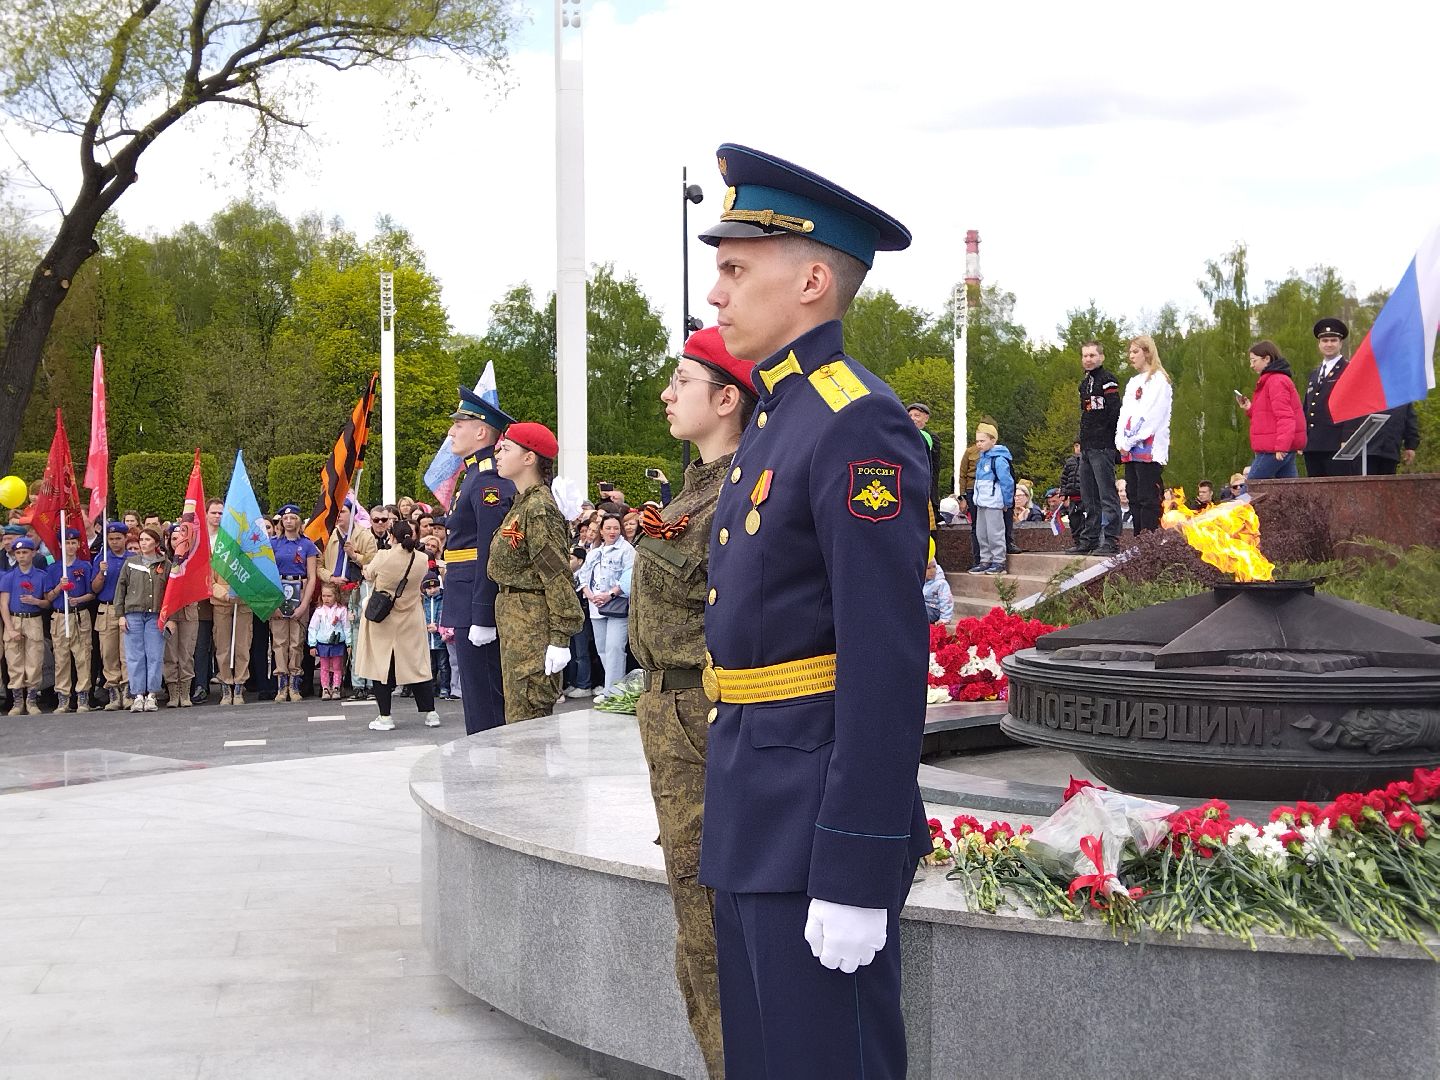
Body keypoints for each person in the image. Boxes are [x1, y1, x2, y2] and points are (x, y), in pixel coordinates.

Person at [697, 143, 931, 1079]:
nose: (715, 293)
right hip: (754, 803)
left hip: (811, 829)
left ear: (812, 279)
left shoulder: (854, 421)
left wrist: (856, 867)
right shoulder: (777, 417)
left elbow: (883, 656)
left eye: (734, 267)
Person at [629, 325, 756, 1077]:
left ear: (728, 396)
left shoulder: (742, 493)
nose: (667, 393)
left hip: (704, 720)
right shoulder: (695, 488)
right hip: (671, 721)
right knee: (694, 934)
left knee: (709, 935)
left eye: (682, 380)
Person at [487, 422, 584, 724]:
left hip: (533, 624)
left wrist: (560, 637)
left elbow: (556, 575)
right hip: (518, 621)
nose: (498, 453)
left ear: (529, 458)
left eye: (506, 448)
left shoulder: (539, 507)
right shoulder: (523, 503)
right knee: (518, 715)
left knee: (527, 719)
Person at [437, 387, 516, 734]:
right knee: (475, 693)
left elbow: (489, 549)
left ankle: (492, 767)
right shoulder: (473, 474)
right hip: (464, 595)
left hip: (475, 600)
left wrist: (484, 613)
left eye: (459, 424)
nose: (451, 431)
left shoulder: (488, 479)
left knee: (485, 698)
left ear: (482, 431)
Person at [353, 519, 437, 730]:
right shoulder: (422, 558)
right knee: (417, 665)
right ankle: (431, 713)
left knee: (381, 666)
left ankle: (385, 716)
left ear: (391, 536)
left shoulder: (384, 556)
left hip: (384, 618)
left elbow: (368, 573)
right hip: (412, 616)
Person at [1115, 334, 1173, 533]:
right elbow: (1125, 413)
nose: (1131, 356)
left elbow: (1152, 416)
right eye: (1130, 352)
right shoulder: (1133, 382)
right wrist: (1120, 440)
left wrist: (1131, 440)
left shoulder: (1159, 381)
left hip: (1149, 446)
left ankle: (1151, 540)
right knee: (1133, 494)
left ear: (1147, 353)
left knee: (1148, 496)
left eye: (1135, 351)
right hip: (1130, 448)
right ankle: (1140, 539)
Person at [1069, 341, 1122, 555]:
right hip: (1087, 448)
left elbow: (1114, 411)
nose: (1088, 359)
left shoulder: (1107, 380)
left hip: (1103, 446)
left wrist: (1109, 438)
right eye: (1085, 356)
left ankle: (1111, 540)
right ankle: (1089, 539)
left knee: (1107, 495)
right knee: (1088, 496)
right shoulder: (1085, 384)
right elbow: (1087, 415)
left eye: (1092, 355)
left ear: (1101, 356)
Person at [578, 514, 635, 702]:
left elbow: (629, 577)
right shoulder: (595, 552)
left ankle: (614, 692)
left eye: (616, 528)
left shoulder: (627, 550)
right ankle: (613, 687)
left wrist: (610, 594)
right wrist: (589, 593)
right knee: (602, 648)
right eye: (608, 528)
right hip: (596, 607)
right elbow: (582, 575)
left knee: (615, 648)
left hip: (617, 606)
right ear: (601, 531)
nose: (612, 532)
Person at [114, 526, 170, 712]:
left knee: (155, 655)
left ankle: (152, 694)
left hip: (156, 615)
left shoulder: (165, 564)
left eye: (147, 539)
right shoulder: (130, 563)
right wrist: (120, 615)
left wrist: (170, 617)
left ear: (156, 542)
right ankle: (137, 694)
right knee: (134, 656)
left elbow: (170, 593)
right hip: (134, 614)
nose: (144, 543)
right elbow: (120, 590)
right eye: (141, 540)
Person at [268, 504, 319, 702]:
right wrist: (274, 603)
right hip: (279, 591)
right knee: (280, 641)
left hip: (299, 588)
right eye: (286, 518)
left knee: (296, 642)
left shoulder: (307, 544)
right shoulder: (273, 544)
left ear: (299, 521)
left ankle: (294, 683)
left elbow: (312, 576)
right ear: (281, 521)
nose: (289, 521)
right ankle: (281, 684)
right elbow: (267, 573)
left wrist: (305, 604)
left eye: (293, 518)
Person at [42, 527, 95, 713]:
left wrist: (78, 599)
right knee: (61, 657)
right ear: (60, 545)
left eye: (74, 543)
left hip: (79, 615)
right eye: (67, 543)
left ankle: (83, 697)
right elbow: (48, 597)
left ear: (79, 544)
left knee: (83, 656)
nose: (70, 546)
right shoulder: (54, 568)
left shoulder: (85, 566)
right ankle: (63, 697)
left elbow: (91, 593)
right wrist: (59, 587)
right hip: (59, 616)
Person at [1237, 340, 1306, 481]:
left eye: (1253, 360)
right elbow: (1268, 415)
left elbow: (1285, 416)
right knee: (1289, 493)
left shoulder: (1275, 381)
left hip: (1273, 449)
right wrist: (1250, 408)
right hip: (1281, 447)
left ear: (1266, 359)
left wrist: (1281, 446)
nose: (1251, 365)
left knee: (1250, 489)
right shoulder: (1274, 380)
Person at [1304, 317, 1361, 477]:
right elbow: (1307, 408)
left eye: (1333, 340)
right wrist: (1302, 438)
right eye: (1325, 340)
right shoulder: (1315, 374)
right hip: (1313, 444)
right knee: (1316, 496)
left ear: (1340, 343)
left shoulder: (1349, 370)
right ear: (1319, 344)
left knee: (1339, 492)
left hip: (1336, 443)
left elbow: (1353, 405)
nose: (1329, 344)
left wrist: (1348, 436)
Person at [2, 538, 50, 715]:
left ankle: (31, 700)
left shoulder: (41, 576)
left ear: (33, 553)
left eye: (25, 552)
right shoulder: (9, 577)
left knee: (34, 660)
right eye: (19, 553)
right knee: (14, 661)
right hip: (14, 619)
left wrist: (36, 601)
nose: (22, 556)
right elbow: (3, 604)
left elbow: (47, 602)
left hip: (33, 619)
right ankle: (17, 701)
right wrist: (10, 628)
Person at [91, 521, 132, 710]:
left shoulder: (133, 559)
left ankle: (128, 690)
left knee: (127, 653)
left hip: (127, 610)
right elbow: (95, 588)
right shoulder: (101, 558)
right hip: (106, 609)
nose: (115, 542)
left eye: (118, 538)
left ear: (125, 538)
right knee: (108, 653)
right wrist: (101, 572)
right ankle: (113, 693)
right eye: (111, 539)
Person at [161, 520, 201, 709]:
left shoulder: (193, 562)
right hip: (169, 613)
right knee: (170, 654)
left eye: (182, 538)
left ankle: (185, 691)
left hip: (189, 611)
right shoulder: (163, 563)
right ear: (168, 541)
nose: (178, 542)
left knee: (186, 653)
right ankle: (172, 691)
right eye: (174, 538)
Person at [971, 422, 1015, 575]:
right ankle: (985, 559)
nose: (979, 444)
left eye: (982, 441)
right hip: (981, 502)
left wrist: (1007, 501)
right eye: (977, 441)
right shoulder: (981, 459)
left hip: (994, 502)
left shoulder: (999, 460)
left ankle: (999, 561)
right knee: (981, 533)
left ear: (993, 440)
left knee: (995, 532)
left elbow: (1007, 482)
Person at [307, 581, 352, 701]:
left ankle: (336, 687)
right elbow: (313, 628)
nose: (326, 598)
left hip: (337, 642)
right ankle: (325, 688)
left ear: (336, 596)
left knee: (337, 666)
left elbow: (346, 627)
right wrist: (312, 644)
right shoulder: (319, 611)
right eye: (324, 596)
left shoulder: (342, 610)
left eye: (329, 596)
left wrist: (349, 642)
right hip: (323, 643)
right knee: (324, 667)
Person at [907, 401, 942, 526]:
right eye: (910, 416)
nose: (913, 419)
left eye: (917, 415)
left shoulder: (929, 436)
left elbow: (933, 466)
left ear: (926, 418)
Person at [1367, 404, 1420, 475]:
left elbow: (1410, 420)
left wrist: (1411, 445)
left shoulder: (1402, 397)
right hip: (1365, 450)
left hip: (1390, 449)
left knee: (1388, 483)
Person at [420, 574, 450, 699]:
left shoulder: (443, 599)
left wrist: (438, 628)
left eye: (435, 587)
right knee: (430, 666)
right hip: (427, 640)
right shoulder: (422, 601)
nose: (432, 590)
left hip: (440, 639)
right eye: (429, 588)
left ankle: (444, 687)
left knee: (443, 665)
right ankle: (431, 689)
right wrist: (425, 626)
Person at [923, 559, 953, 624]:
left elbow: (946, 601)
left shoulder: (941, 583)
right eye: (928, 568)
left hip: (934, 610)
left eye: (934, 567)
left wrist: (945, 618)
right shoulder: (922, 582)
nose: (932, 571)